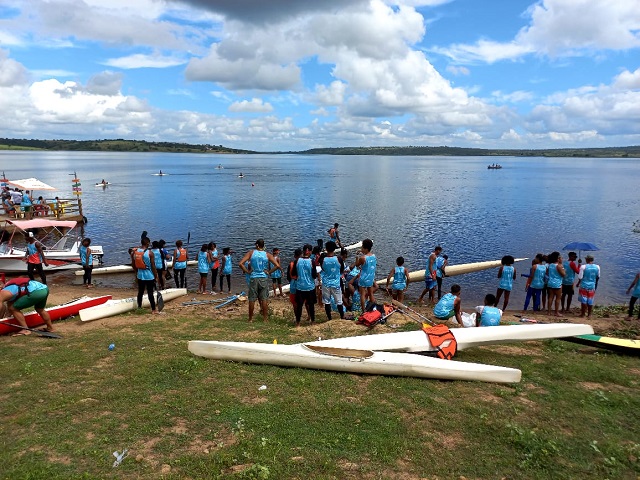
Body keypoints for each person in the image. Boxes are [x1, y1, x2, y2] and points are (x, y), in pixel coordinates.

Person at [239, 239, 280, 322]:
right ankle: (265, 318)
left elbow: (240, 263)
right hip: (263, 277)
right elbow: (277, 265)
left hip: (254, 277)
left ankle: (250, 319)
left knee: (252, 299)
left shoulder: (251, 253)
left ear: (257, 245)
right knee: (264, 298)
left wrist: (247, 271)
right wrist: (268, 272)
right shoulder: (267, 254)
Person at [131, 236, 160, 314]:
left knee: (140, 292)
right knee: (150, 292)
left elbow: (133, 265)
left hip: (140, 275)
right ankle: (153, 310)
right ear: (148, 243)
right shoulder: (150, 253)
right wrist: (156, 276)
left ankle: (139, 307)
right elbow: (153, 266)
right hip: (149, 275)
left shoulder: (135, 252)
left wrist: (136, 273)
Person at [318, 241, 345, 320]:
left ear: (326, 249)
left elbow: (322, 269)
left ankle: (329, 318)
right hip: (336, 283)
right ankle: (342, 316)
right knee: (339, 302)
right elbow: (341, 270)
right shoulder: (339, 259)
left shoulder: (323, 260)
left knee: (327, 302)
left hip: (326, 283)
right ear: (334, 249)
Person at [293, 244, 317, 326]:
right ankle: (313, 321)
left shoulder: (297, 261)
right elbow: (314, 275)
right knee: (311, 305)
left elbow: (294, 273)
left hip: (300, 286)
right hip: (310, 286)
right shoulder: (311, 262)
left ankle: (298, 322)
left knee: (299, 305)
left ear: (303, 251)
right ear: (309, 251)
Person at [355, 239, 376, 312]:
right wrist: (361, 251)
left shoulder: (362, 258)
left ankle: (363, 310)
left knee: (362, 294)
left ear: (365, 248)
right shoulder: (374, 256)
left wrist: (357, 255)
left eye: (362, 247)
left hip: (363, 278)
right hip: (370, 277)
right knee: (371, 293)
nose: (361, 249)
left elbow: (357, 265)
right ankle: (373, 308)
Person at [546, 251, 565, 316]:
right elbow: (563, 274)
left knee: (550, 297)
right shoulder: (559, 266)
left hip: (550, 282)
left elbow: (547, 273)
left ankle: (549, 312)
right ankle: (556, 312)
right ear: (558, 259)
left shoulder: (550, 265)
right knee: (558, 298)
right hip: (557, 283)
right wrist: (563, 268)